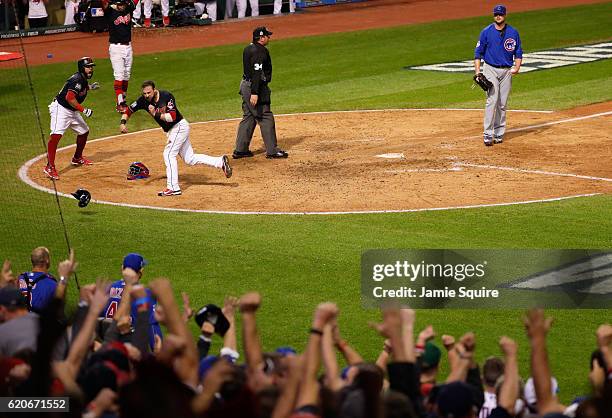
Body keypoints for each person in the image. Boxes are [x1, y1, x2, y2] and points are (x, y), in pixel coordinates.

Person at [120, 80, 232, 196]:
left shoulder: (166, 96)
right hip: (173, 131)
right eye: (145, 93)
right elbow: (128, 110)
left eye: (149, 92)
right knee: (190, 159)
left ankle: (173, 187)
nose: (147, 95)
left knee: (168, 154)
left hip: (179, 127)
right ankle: (220, 162)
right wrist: (123, 123)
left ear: (154, 90)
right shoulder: (143, 101)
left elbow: (172, 117)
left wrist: (155, 114)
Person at [233, 26, 288, 160]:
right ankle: (272, 150)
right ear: (261, 38)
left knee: (249, 116)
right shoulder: (259, 51)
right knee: (265, 116)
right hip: (254, 86)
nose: (269, 38)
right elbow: (257, 72)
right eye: (267, 36)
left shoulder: (248, 48)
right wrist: (255, 92)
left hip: (245, 84)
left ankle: (241, 150)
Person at [474, 4, 522, 146]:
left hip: (506, 70)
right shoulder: (486, 32)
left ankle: (499, 133)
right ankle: (488, 134)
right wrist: (478, 72)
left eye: (500, 14)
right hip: (490, 69)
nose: (498, 16)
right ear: (493, 15)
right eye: (496, 14)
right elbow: (478, 54)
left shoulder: (513, 32)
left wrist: (517, 67)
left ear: (505, 15)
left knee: (502, 103)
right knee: (492, 101)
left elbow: (518, 52)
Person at [44, 57, 97, 181]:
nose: (91, 69)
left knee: (84, 131)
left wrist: (90, 87)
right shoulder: (77, 79)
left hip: (71, 110)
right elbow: (69, 97)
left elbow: (80, 89)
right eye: (88, 67)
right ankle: (49, 167)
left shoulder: (82, 79)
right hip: (61, 109)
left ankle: (77, 158)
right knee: (56, 136)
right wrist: (84, 110)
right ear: (81, 68)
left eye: (91, 67)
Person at [102, 253, 162, 348]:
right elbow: (153, 329)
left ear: (122, 268)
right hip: (130, 347)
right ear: (141, 272)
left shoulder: (108, 288)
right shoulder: (145, 294)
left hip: (108, 342)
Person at [103, 0, 136, 113]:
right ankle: (120, 104)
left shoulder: (129, 8)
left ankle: (123, 99)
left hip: (128, 47)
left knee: (127, 75)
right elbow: (103, 3)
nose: (121, 7)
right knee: (119, 76)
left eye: (122, 4)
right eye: (119, 5)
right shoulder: (110, 11)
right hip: (116, 48)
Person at [17, 247, 57, 314]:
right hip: (39, 322)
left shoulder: (20, 278)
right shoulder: (52, 283)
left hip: (20, 320)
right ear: (47, 260)